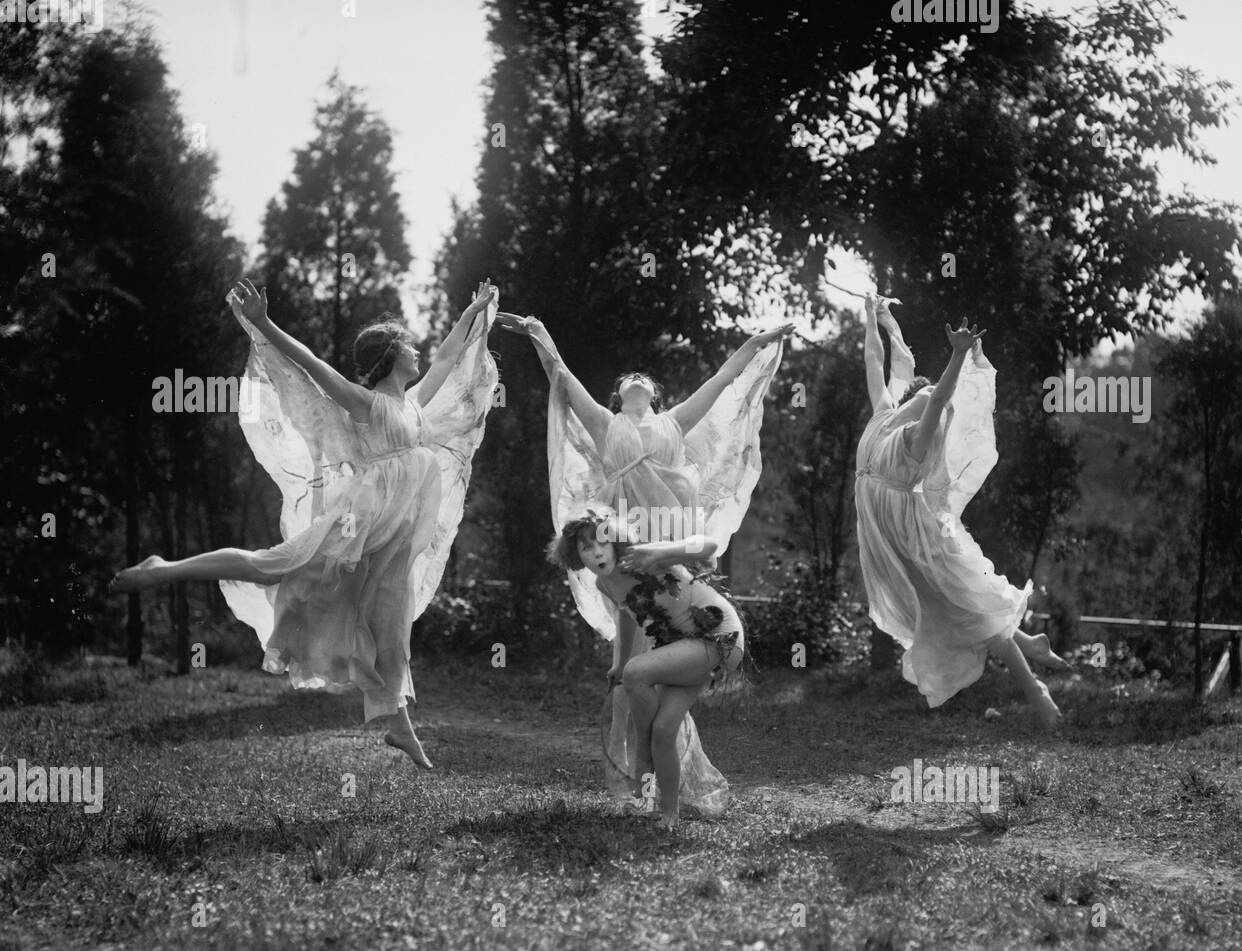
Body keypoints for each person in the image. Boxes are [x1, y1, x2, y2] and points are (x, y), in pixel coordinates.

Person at [112, 277, 500, 768]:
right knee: (275, 566)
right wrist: (262, 322)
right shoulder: (367, 404)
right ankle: (163, 568)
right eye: (409, 345)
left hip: (395, 537)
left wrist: (474, 310)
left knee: (393, 627)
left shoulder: (415, 402)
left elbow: (447, 355)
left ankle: (401, 730)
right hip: (359, 524)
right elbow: (311, 366)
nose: (419, 350)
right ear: (389, 357)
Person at [498, 313, 791, 814]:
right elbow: (562, 379)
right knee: (633, 655)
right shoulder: (606, 424)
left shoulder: (674, 422)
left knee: (664, 639)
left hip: (665, 539)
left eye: (643, 379)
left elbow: (722, 382)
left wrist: (757, 341)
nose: (633, 378)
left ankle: (661, 771)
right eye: (625, 380)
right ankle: (649, 775)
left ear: (652, 394)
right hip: (621, 535)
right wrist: (538, 333)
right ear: (620, 397)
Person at [854, 296, 1067, 730]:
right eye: (924, 388)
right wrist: (873, 317)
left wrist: (955, 355)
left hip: (917, 537)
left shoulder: (915, 438)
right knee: (954, 612)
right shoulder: (882, 416)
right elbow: (878, 363)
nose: (930, 394)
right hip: (892, 537)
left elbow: (937, 400)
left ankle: (1036, 690)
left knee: (971, 609)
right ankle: (1029, 644)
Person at [548, 505, 744, 830]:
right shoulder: (604, 585)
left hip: (717, 637)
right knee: (658, 732)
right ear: (575, 555)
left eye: (601, 543)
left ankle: (653, 802)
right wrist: (621, 661)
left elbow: (708, 546)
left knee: (638, 674)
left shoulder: (641, 555)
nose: (596, 552)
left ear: (614, 542)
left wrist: (659, 551)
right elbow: (626, 613)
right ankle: (659, 810)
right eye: (586, 547)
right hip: (679, 650)